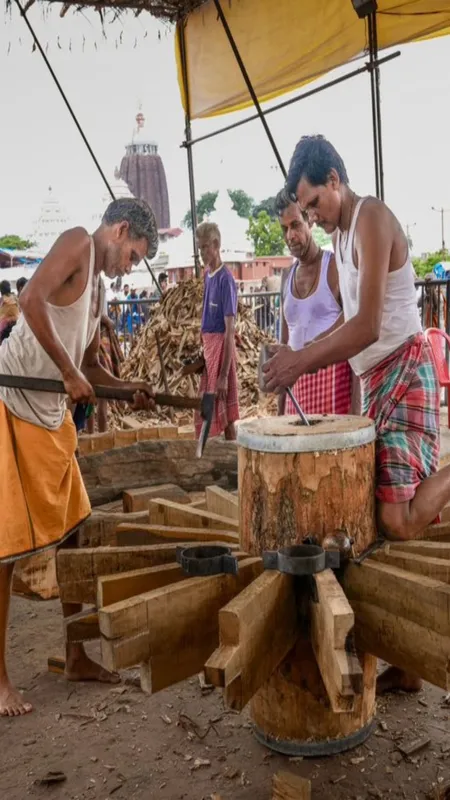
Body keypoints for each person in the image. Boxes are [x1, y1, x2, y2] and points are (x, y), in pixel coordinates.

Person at [263, 135, 446, 693]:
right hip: (374, 380)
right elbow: (342, 328)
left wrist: (300, 363)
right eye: (305, 209)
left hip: (404, 367)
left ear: (336, 180)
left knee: (398, 518)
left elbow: (367, 326)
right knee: (378, 522)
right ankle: (410, 668)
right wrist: (290, 353)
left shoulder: (370, 218)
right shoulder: (341, 236)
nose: (312, 217)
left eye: (314, 203)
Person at [0, 197, 158, 716]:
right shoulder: (77, 244)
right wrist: (69, 373)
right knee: (4, 552)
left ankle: (75, 654)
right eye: (133, 255)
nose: (129, 266)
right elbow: (31, 302)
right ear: (119, 229)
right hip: (12, 401)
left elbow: (92, 370)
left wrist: (128, 387)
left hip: (50, 414)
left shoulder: (100, 294)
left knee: (72, 532)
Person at [275, 189, 352, 415]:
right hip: (296, 394)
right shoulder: (286, 277)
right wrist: (280, 414)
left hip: (333, 388)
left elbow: (353, 340)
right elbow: (284, 345)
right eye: (284, 229)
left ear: (310, 220)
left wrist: (357, 414)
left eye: (296, 225)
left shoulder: (335, 267)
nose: (290, 236)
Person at [195, 221, 239, 441]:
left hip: (222, 350)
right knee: (209, 408)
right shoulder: (208, 275)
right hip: (209, 348)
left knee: (227, 414)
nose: (202, 252)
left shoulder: (226, 280)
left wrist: (223, 375)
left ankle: (234, 461)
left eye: (205, 247)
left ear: (216, 244)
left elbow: (230, 331)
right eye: (200, 247)